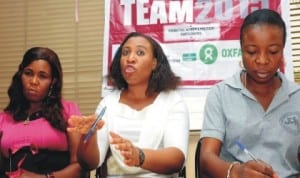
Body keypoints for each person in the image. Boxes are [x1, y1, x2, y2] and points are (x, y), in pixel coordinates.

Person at [67, 32, 190, 177]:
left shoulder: (172, 101)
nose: (130, 58)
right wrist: (88, 137)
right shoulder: (108, 103)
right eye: (125, 53)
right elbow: (90, 163)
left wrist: (139, 156)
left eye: (140, 52)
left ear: (154, 63)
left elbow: (176, 160)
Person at [199, 8, 300, 178]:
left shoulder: (297, 97)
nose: (262, 60)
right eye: (252, 51)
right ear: (241, 49)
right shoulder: (221, 94)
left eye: (273, 51)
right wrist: (236, 172)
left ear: (282, 51)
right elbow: (206, 158)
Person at [0, 47, 87, 178]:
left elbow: (79, 167)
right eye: (28, 73)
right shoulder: (4, 118)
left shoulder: (68, 111)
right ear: (20, 76)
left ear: (53, 81)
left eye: (42, 76)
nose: (33, 82)